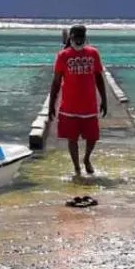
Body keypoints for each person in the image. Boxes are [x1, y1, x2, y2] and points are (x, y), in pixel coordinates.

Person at [49, 24, 108, 180]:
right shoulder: (63, 56)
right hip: (69, 107)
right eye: (76, 38)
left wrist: (104, 100)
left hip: (89, 106)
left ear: (85, 38)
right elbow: (56, 82)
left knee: (92, 137)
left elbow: (99, 78)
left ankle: (86, 158)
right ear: (71, 37)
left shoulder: (93, 53)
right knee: (72, 139)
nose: (79, 40)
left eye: (82, 38)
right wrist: (51, 105)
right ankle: (76, 167)